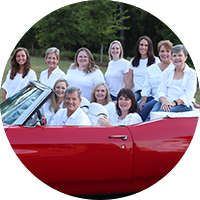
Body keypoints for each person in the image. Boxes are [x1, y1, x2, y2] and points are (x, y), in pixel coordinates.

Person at [147, 44, 197, 119]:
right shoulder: (167, 72)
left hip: (182, 105)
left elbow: (188, 95)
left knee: (160, 115)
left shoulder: (191, 73)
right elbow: (161, 90)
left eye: (180, 55)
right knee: (151, 116)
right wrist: (164, 102)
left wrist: (173, 103)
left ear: (185, 58)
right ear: (172, 57)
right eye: (174, 56)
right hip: (165, 102)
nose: (177, 58)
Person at [138, 40, 173, 121]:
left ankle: (143, 126)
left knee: (149, 108)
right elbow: (146, 87)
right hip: (153, 97)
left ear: (171, 53)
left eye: (167, 51)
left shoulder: (175, 67)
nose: (165, 54)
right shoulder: (151, 68)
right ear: (159, 53)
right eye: (162, 51)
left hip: (167, 99)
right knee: (139, 106)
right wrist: (143, 100)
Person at [125, 36, 160, 101]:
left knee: (140, 106)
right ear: (138, 46)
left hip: (149, 93)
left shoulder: (155, 60)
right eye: (141, 45)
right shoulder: (133, 61)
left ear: (149, 47)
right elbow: (129, 81)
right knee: (130, 102)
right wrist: (126, 95)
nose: (143, 47)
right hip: (137, 91)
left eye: (146, 45)